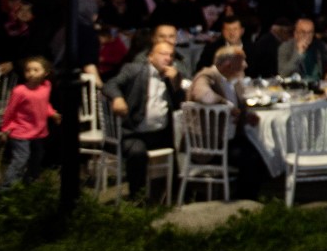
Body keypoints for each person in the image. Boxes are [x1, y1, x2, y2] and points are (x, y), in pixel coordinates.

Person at [103, 38, 186, 198]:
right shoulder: (133, 70)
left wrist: (176, 83)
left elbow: (179, 104)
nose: (167, 58)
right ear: (150, 57)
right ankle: (138, 199)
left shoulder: (172, 77)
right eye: (162, 54)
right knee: (137, 152)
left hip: (160, 134)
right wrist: (118, 98)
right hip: (134, 132)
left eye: (171, 55)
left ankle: (176, 197)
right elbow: (110, 84)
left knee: (182, 148)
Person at [188, 45, 269, 200]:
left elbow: (241, 109)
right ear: (228, 65)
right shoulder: (207, 76)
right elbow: (202, 95)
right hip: (210, 145)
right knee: (250, 159)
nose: (246, 65)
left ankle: (248, 197)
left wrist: (247, 117)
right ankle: (244, 200)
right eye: (242, 61)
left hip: (231, 140)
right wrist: (227, 106)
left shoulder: (235, 81)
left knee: (264, 151)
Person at [0, 56, 57, 193]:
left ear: (46, 72)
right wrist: (5, 129)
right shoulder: (20, 91)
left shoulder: (46, 86)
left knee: (37, 156)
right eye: (28, 70)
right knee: (21, 158)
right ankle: (7, 187)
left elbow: (44, 104)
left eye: (36, 70)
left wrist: (52, 113)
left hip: (39, 131)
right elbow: (10, 111)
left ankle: (30, 181)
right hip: (21, 131)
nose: (32, 73)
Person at [278, 17, 327, 82]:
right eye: (303, 32)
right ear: (296, 34)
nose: (307, 36)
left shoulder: (319, 45)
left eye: (310, 32)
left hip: (317, 85)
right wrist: (299, 54)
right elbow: (283, 74)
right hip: (295, 87)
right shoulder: (285, 47)